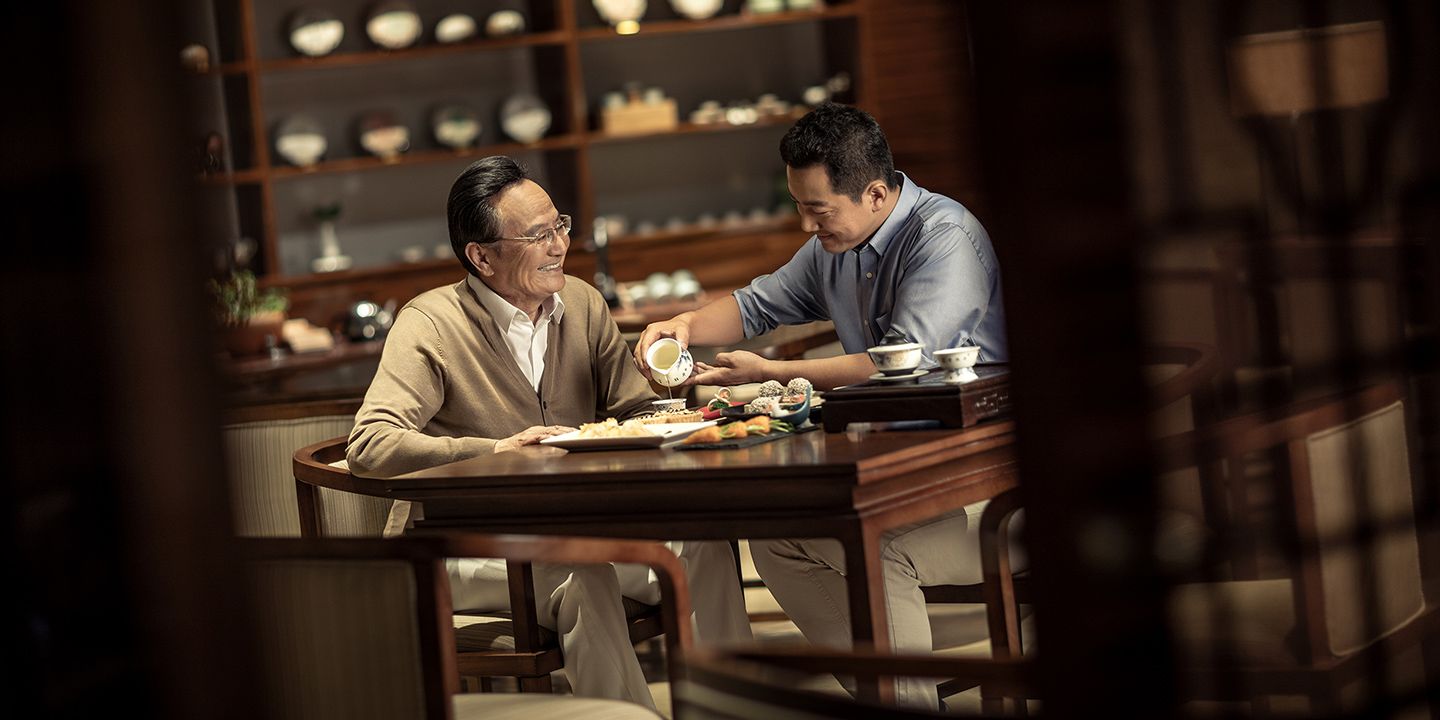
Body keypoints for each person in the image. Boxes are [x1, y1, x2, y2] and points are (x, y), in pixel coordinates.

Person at [633, 103, 1010, 710]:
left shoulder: (947, 237)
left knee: (871, 542)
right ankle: (900, 701)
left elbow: (898, 361)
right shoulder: (839, 242)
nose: (807, 225)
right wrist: (681, 321)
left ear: (877, 193)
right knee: (778, 542)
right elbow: (756, 306)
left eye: (818, 209)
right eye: (800, 207)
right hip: (898, 464)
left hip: (980, 478)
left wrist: (772, 373)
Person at [347, 156, 751, 711]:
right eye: (538, 235)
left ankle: (735, 710)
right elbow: (371, 445)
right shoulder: (431, 323)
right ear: (480, 256)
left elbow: (633, 409)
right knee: (586, 573)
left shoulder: (582, 304)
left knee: (706, 545)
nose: (559, 245)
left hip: (578, 526)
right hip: (459, 547)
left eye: (559, 226)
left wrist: (663, 395)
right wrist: (495, 450)